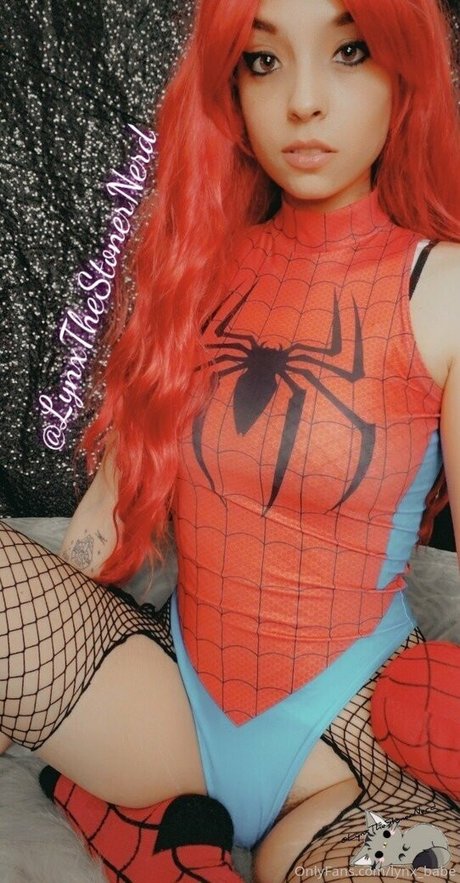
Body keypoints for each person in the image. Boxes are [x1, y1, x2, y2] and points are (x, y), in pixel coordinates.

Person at [1, 0, 460, 880]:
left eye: (349, 51)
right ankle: (153, 811)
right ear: (231, 88)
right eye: (263, 61)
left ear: (404, 73)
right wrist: (19, 672)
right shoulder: (194, 267)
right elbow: (106, 514)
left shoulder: (442, 287)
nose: (303, 100)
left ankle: (155, 830)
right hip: (171, 707)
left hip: (347, 749)